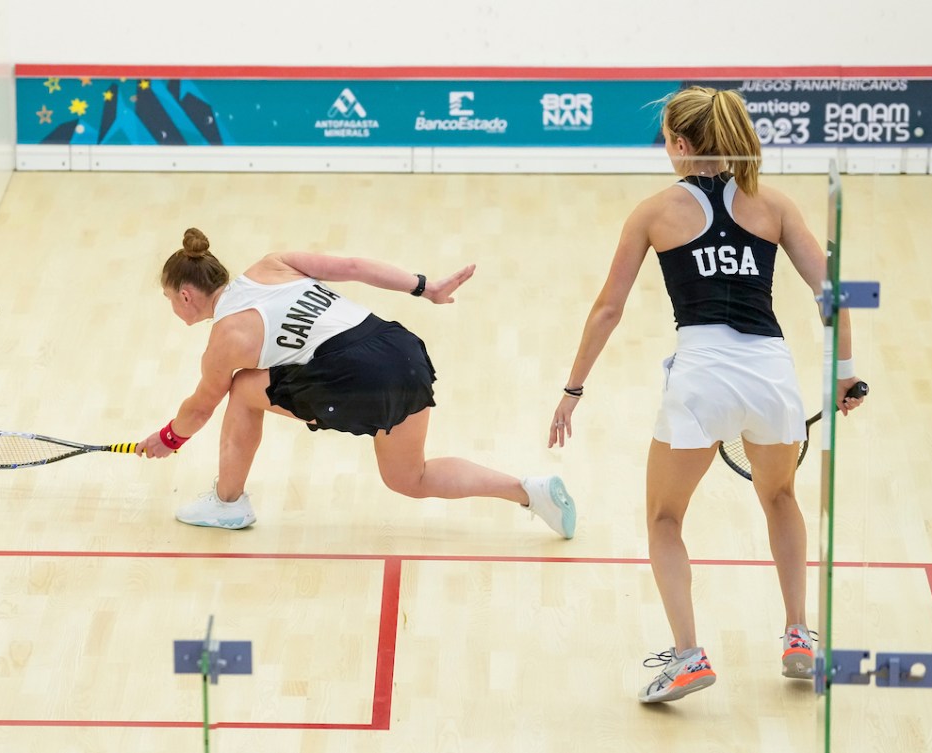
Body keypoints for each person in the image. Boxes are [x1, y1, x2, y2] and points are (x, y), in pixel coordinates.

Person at [547, 86, 866, 703]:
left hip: (701, 378)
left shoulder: (653, 212)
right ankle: (799, 636)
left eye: (666, 139)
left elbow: (608, 309)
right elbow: (837, 295)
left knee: (665, 519)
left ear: (683, 145)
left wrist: (573, 387)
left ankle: (689, 658)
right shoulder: (771, 203)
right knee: (780, 497)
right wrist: (846, 374)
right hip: (773, 376)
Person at [135, 227, 576, 539]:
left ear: (186, 295)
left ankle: (228, 503)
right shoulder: (273, 264)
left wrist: (168, 439)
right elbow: (352, 265)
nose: (173, 307)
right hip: (400, 348)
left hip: (355, 373)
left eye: (169, 299)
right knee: (410, 476)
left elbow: (199, 408)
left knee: (243, 390)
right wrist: (425, 287)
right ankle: (530, 492)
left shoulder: (226, 338)